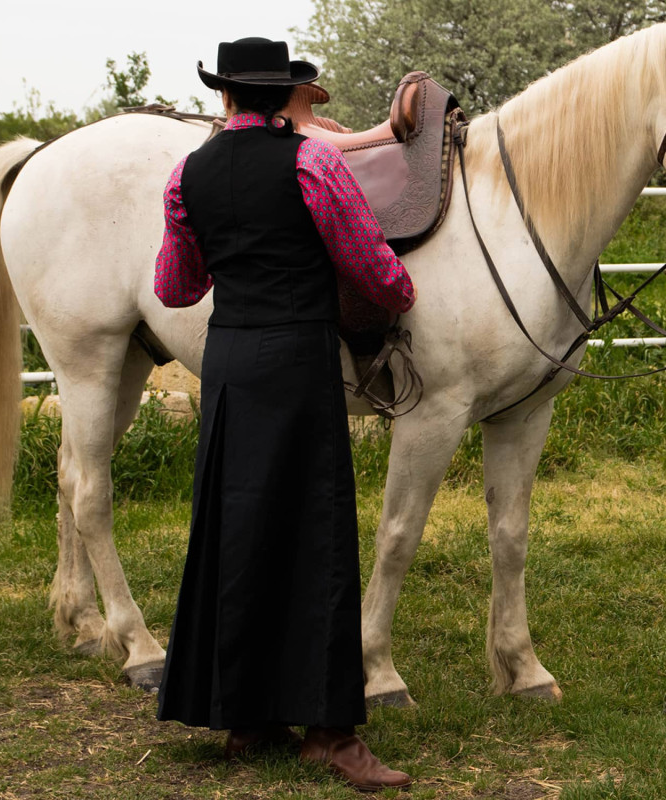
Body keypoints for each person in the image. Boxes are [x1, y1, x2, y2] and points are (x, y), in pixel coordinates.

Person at [153, 37, 416, 792]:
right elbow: (366, 262)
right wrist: (402, 293)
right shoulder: (313, 162)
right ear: (287, 98)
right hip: (298, 360)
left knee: (237, 534)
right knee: (317, 532)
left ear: (227, 97)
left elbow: (175, 288)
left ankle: (247, 718)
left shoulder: (188, 173)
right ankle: (331, 733)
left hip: (231, 366)